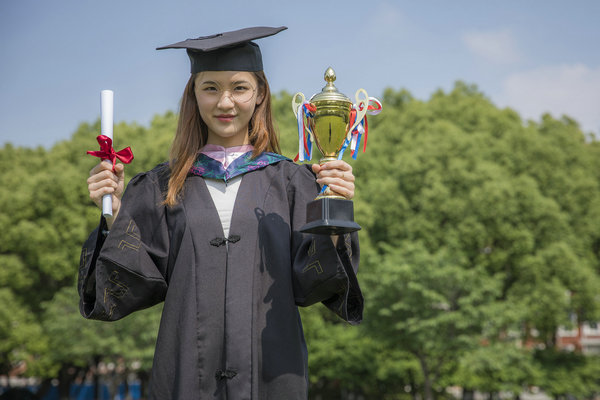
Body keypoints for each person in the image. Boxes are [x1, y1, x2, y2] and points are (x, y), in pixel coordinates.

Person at [79, 26, 363, 399]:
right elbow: (133, 283)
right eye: (210, 87)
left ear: (260, 93)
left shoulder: (294, 182)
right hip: (185, 371)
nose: (225, 102)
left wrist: (335, 212)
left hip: (271, 372)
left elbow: (314, 284)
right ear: (193, 96)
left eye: (239, 88)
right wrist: (115, 213)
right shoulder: (160, 186)